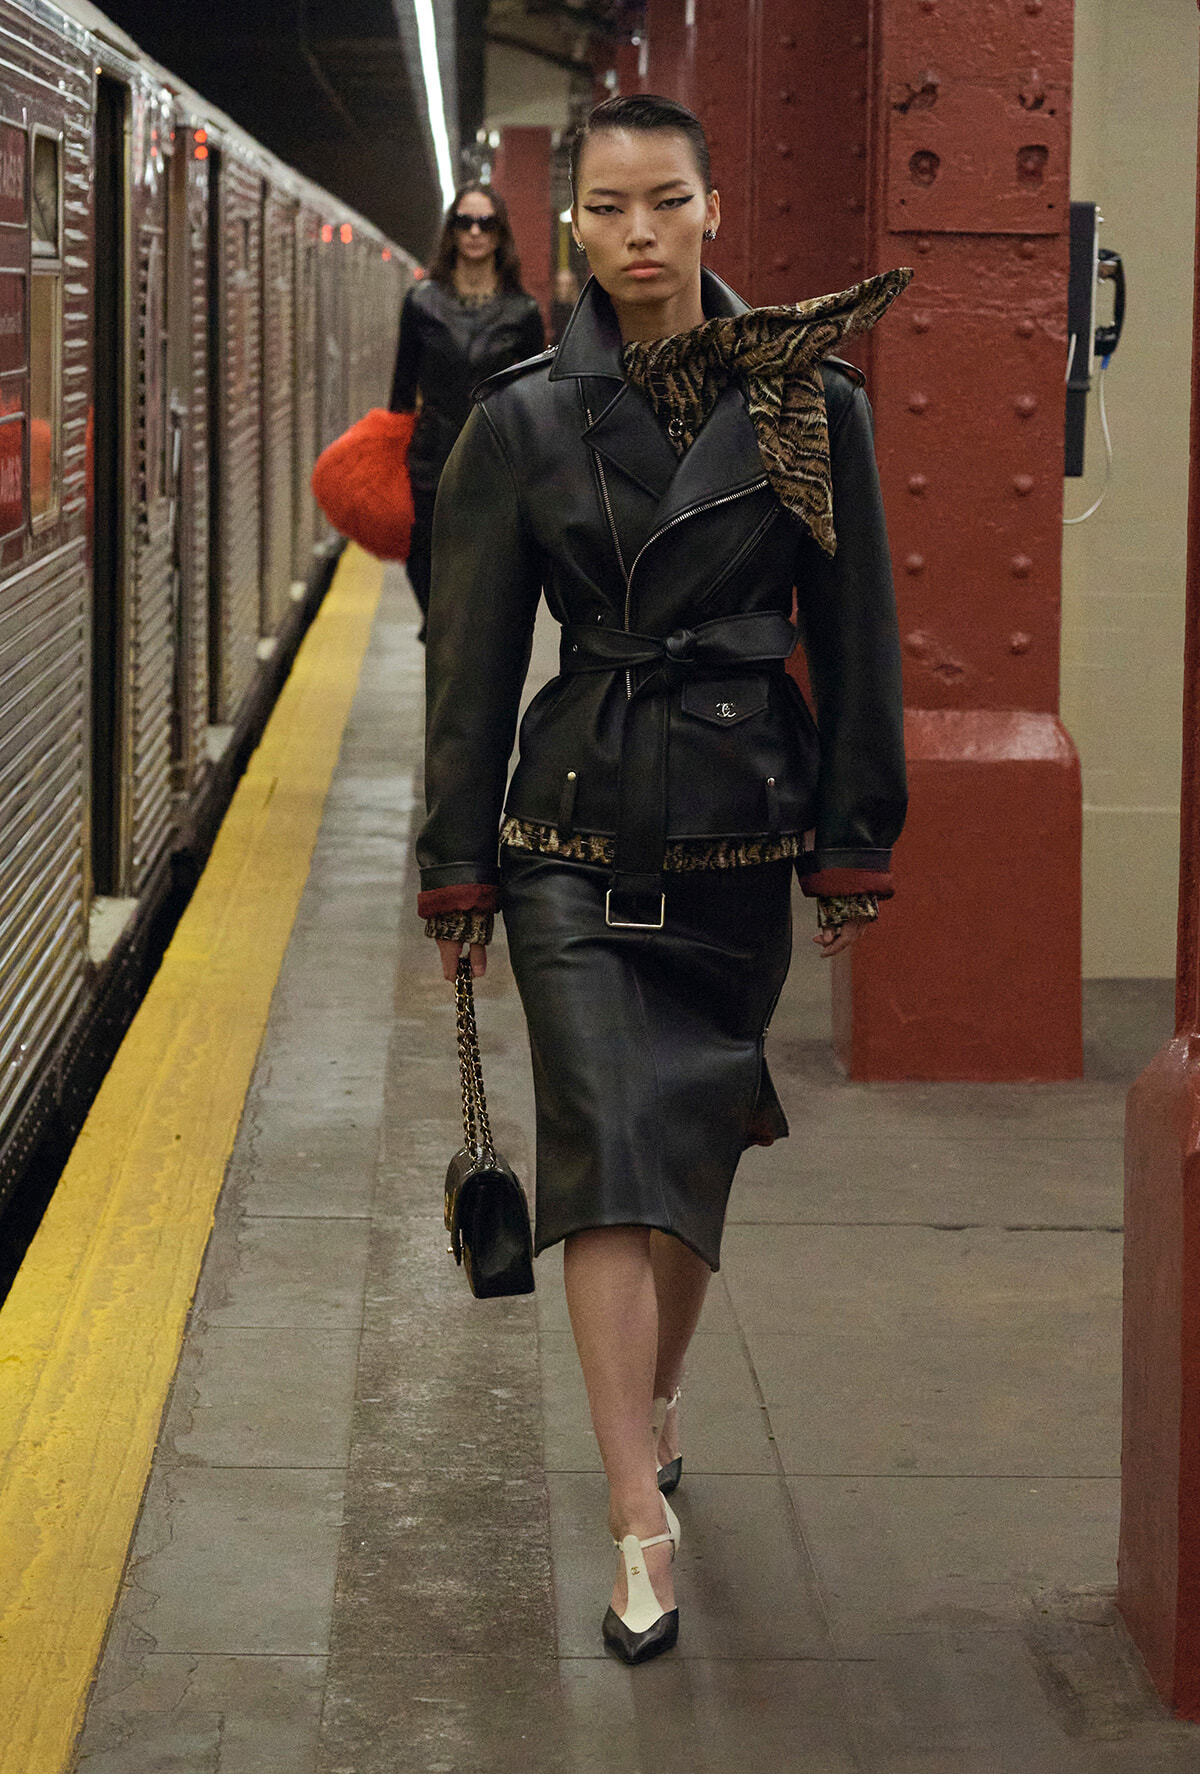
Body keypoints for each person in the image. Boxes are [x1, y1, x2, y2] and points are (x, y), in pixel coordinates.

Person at [417, 95, 910, 1663]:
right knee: (610, 1155)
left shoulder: (809, 401)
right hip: (572, 829)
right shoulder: (522, 420)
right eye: (610, 207)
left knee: (689, 1159)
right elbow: (470, 661)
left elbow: (859, 633)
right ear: (571, 224)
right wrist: (455, 866)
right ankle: (640, 1512)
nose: (640, 233)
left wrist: (856, 831)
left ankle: (659, 1393)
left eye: (667, 201)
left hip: (739, 828)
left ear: (712, 210)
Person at [388, 182, 545, 637]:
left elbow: (536, 399)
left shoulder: (523, 312)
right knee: (424, 559)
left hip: (496, 459)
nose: (475, 232)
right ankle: (439, 631)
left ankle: (465, 642)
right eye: (465, 222)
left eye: (486, 223)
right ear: (452, 231)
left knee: (489, 574)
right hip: (430, 457)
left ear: (500, 233)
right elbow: (401, 392)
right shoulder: (421, 303)